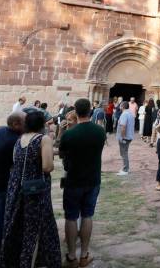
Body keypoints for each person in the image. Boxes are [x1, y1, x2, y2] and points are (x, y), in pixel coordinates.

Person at [0, 110, 60, 267]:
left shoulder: (20, 139)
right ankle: (35, 262)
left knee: (19, 225)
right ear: (41, 124)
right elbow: (47, 167)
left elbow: (15, 160)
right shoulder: (43, 139)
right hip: (36, 189)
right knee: (37, 227)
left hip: (17, 187)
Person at [58, 98, 107, 267]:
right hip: (93, 179)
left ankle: (71, 257)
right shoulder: (100, 132)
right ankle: (84, 255)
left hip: (73, 180)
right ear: (90, 111)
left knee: (71, 217)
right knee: (87, 215)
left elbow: (62, 154)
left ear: (75, 112)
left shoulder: (69, 134)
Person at [0, 111, 24, 267]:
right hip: (2, 185)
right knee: (1, 220)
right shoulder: (15, 141)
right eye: (24, 122)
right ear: (15, 124)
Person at [116, 101, 134, 175]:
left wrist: (122, 137)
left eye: (120, 106)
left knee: (124, 153)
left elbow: (123, 126)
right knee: (124, 152)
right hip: (129, 136)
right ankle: (125, 168)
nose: (119, 107)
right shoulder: (130, 113)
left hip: (125, 137)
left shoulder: (124, 114)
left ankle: (125, 169)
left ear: (122, 107)